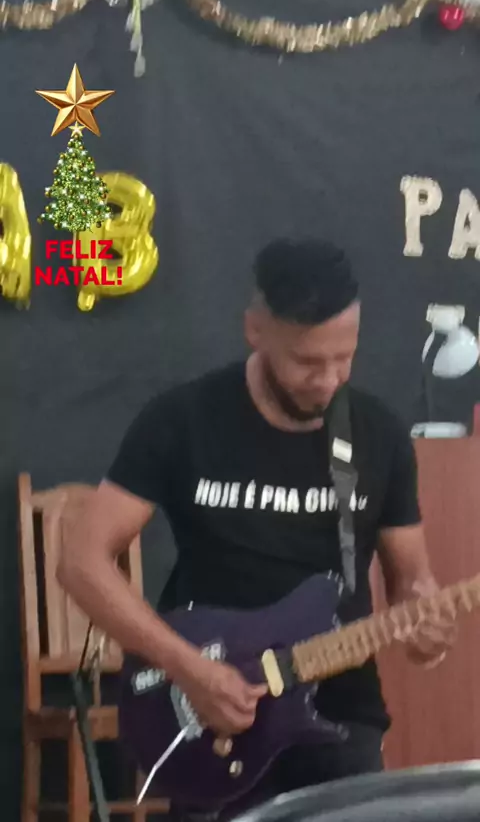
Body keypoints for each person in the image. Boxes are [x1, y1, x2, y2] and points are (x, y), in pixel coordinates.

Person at [57, 238, 456, 816]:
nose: (328, 380)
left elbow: (411, 582)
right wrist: (188, 669)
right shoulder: (183, 420)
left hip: (340, 717)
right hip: (212, 720)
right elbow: (81, 562)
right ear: (256, 330)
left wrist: (427, 629)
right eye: (307, 362)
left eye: (344, 358)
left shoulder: (380, 435)